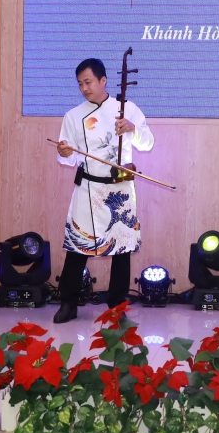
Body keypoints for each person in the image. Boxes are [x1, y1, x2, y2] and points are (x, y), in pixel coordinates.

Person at [53, 58, 154, 323]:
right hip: (87, 188)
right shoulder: (73, 116)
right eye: (80, 84)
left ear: (103, 80)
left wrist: (132, 129)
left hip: (119, 188)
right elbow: (68, 158)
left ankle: (117, 307)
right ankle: (68, 303)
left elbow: (147, 143)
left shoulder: (127, 108)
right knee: (78, 246)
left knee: (121, 250)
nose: (84, 88)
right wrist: (63, 152)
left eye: (88, 82)